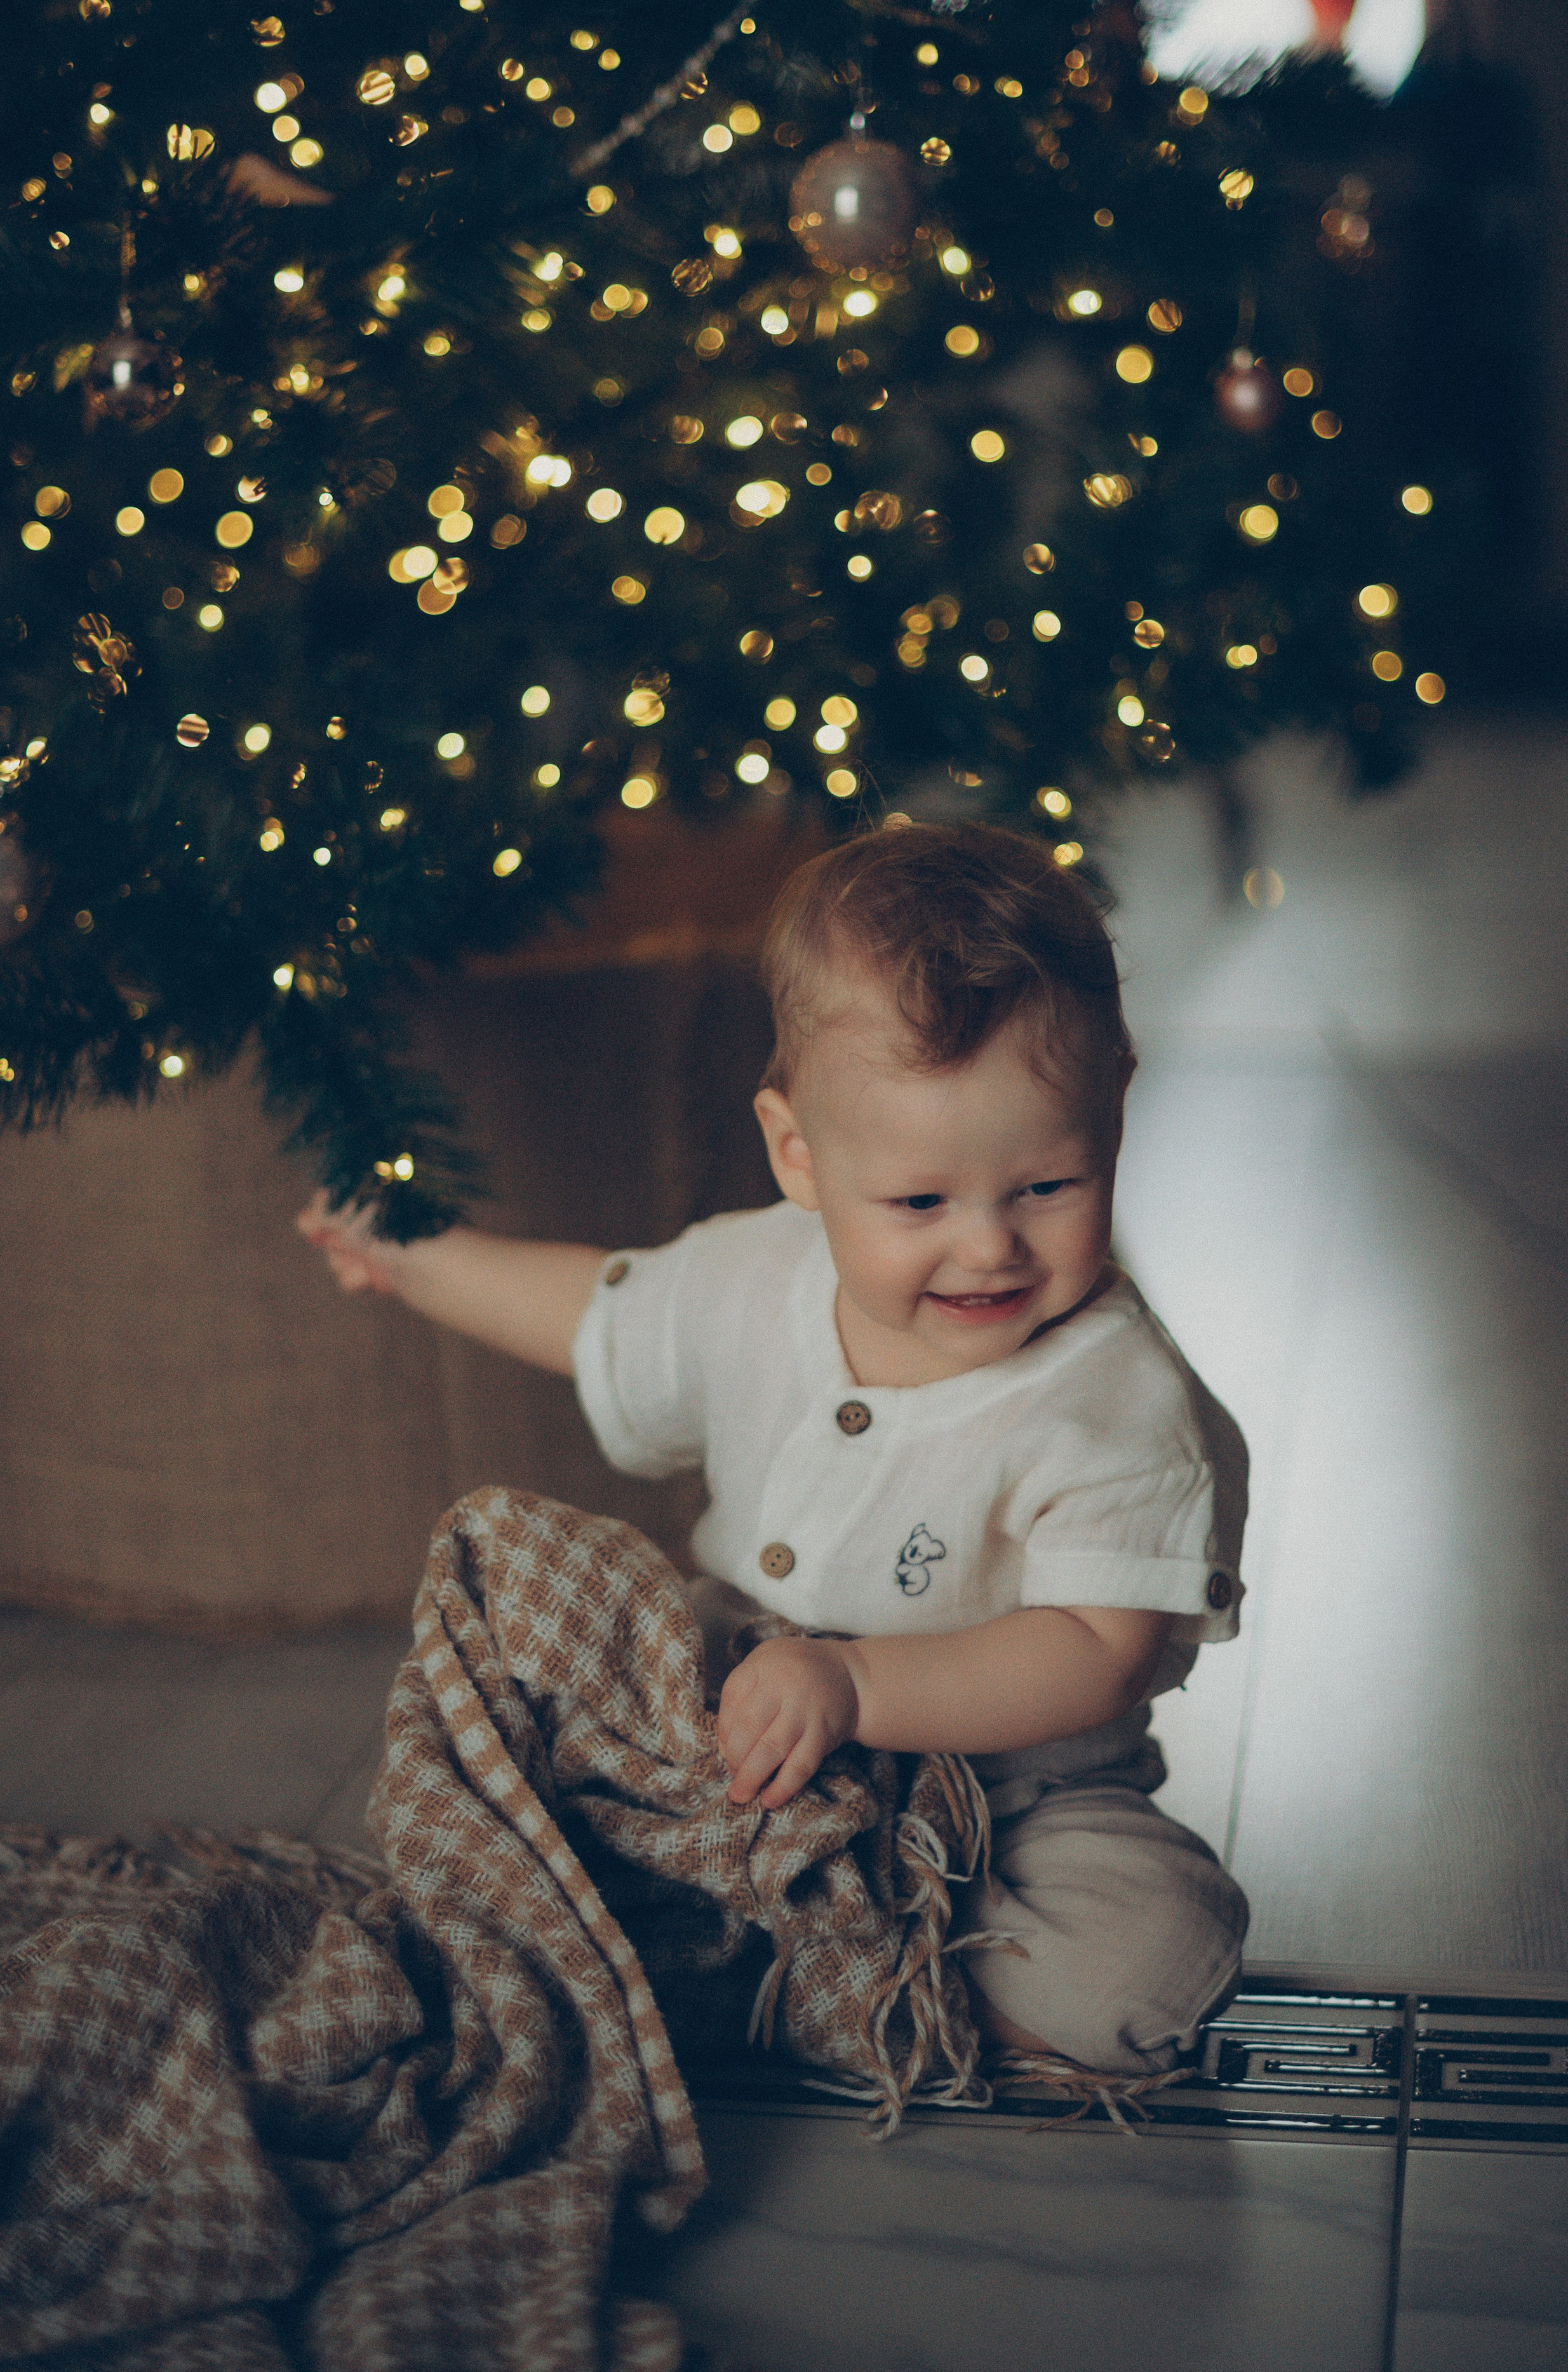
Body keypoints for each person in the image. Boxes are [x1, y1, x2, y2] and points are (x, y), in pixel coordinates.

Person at [297, 821, 1250, 2079]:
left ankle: (840, 1964)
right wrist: (416, 1253)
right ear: (796, 1151)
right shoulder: (756, 1272)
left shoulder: (1120, 1401)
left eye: (1047, 1187)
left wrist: (858, 1687)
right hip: (728, 1731)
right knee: (514, 1593)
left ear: (1110, 1125)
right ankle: (742, 1924)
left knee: (1148, 1960)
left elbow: (1094, 1652)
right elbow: (596, 1314)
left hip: (1009, 1804)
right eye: (919, 1201)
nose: (987, 1247)